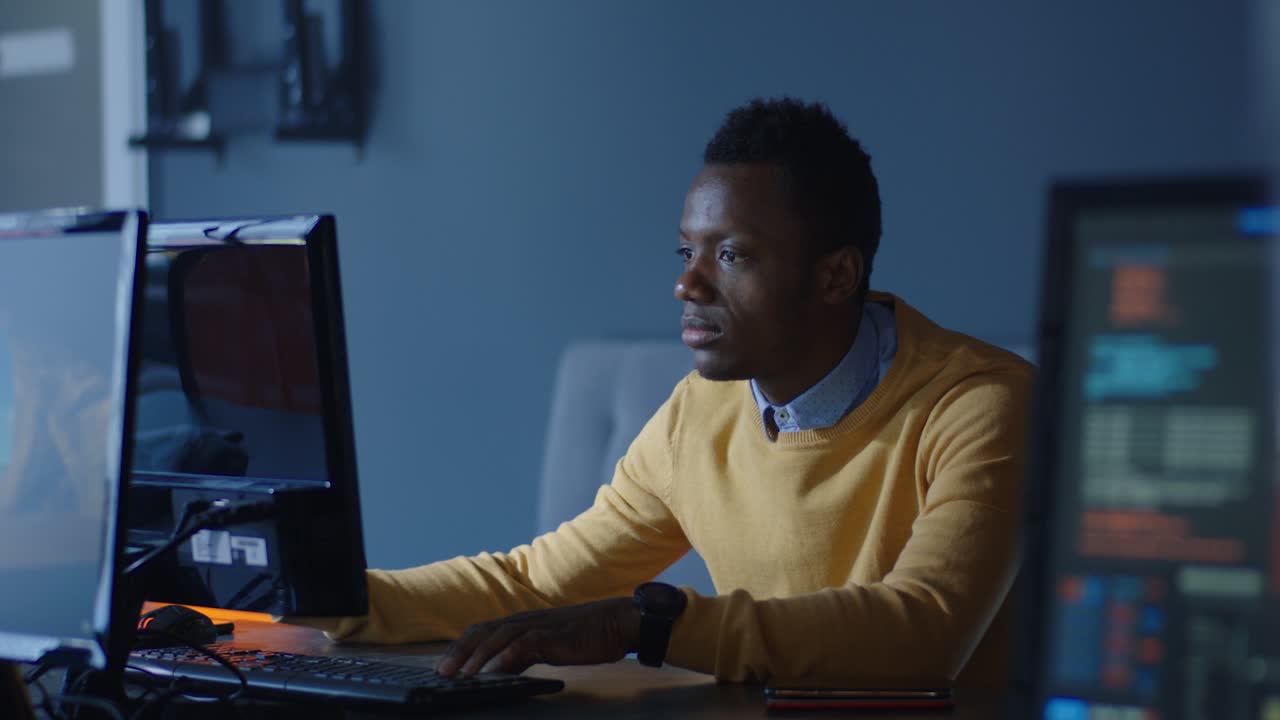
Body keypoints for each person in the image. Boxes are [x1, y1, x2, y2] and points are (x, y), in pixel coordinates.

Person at [292, 97, 1033, 688]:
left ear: (836, 275)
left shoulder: (982, 405)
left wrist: (648, 625)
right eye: (689, 250)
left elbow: (924, 630)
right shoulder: (698, 413)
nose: (687, 283)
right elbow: (534, 582)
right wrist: (311, 591)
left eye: (731, 254)